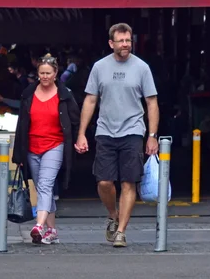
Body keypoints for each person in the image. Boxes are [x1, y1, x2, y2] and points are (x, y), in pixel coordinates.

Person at [75, 23, 159, 248]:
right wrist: (81, 133)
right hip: (105, 131)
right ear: (111, 43)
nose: (125, 44)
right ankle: (113, 214)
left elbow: (151, 102)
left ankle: (121, 231)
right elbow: (90, 100)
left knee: (128, 181)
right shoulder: (99, 67)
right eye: (121, 41)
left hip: (133, 131)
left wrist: (151, 135)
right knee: (104, 181)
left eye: (128, 40)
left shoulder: (142, 68)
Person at [12, 54, 80, 245]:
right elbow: (21, 125)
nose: (44, 76)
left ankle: (39, 226)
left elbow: (75, 120)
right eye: (41, 73)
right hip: (32, 147)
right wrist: (19, 153)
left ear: (56, 73)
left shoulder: (64, 95)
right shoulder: (28, 94)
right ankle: (52, 231)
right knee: (43, 188)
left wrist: (79, 139)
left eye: (48, 73)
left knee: (45, 185)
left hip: (55, 145)